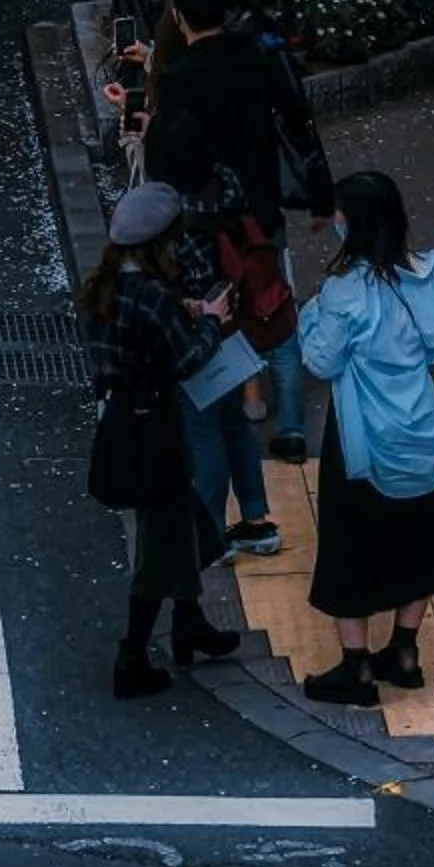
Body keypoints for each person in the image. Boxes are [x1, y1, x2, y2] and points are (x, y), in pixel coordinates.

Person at [150, 0, 333, 464]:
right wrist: (321, 194)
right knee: (275, 304)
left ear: (181, 16)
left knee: (221, 308)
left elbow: (171, 152)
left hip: (205, 214)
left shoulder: (179, 79)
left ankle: (240, 404)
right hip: (260, 202)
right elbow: (299, 122)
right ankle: (292, 424)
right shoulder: (258, 56)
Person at [298, 170, 434, 704]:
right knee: (418, 540)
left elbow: (320, 360)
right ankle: (404, 651)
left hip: (363, 440)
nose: (335, 222)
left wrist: (311, 313)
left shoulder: (345, 292)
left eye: (341, 214)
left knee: (351, 547)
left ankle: (356, 669)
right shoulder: (426, 275)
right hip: (418, 431)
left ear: (357, 222)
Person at [76, 182, 241, 698]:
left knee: (188, 524)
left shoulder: (105, 288)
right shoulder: (151, 297)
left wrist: (183, 313)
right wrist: (211, 323)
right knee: (162, 543)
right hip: (156, 432)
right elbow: (186, 360)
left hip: (125, 424)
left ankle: (191, 622)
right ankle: (133, 657)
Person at [141, 110, 281, 558]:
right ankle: (258, 521)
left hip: (199, 332)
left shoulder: (171, 216)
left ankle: (211, 534)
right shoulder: (226, 184)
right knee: (234, 424)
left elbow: (175, 284)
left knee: (203, 433)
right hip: (237, 324)